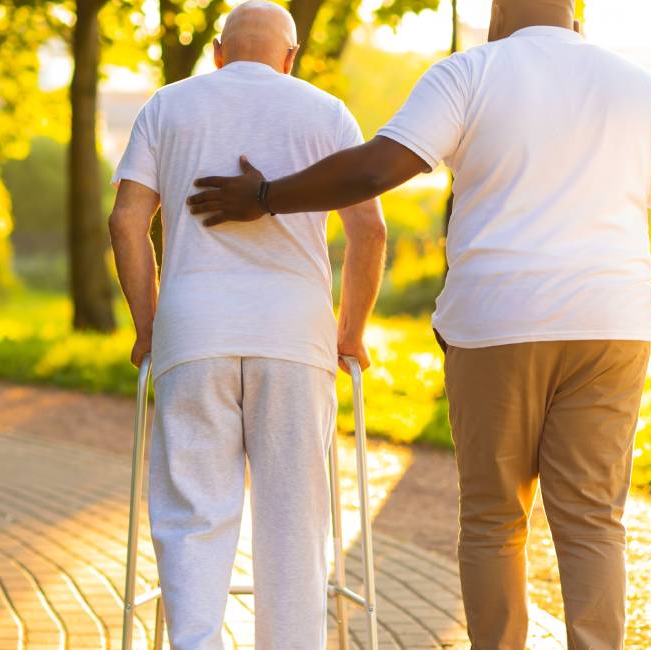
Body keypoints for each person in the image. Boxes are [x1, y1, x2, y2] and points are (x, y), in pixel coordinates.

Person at [185, 0, 651, 646]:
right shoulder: (642, 89)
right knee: (594, 522)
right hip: (611, 327)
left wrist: (266, 197)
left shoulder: (469, 74)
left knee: (494, 518)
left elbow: (377, 168)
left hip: (497, 322)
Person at [106, 1, 387, 647]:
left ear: (218, 53)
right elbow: (369, 230)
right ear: (290, 58)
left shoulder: (168, 105)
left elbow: (126, 220)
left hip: (194, 329)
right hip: (295, 335)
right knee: (294, 518)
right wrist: (350, 331)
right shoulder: (325, 111)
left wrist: (149, 326)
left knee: (194, 514)